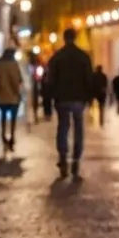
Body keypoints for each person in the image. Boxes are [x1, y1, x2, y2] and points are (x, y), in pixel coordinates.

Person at [45, 28, 95, 177]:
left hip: (62, 98)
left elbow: (50, 80)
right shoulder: (83, 56)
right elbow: (89, 79)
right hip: (79, 98)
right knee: (78, 129)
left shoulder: (57, 57)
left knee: (63, 128)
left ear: (63, 38)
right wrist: (90, 97)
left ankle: (62, 158)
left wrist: (49, 99)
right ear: (75, 37)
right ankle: (76, 159)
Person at [0, 47, 24, 152]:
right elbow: (18, 79)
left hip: (1, 96)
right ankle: (12, 136)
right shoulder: (14, 64)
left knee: (3, 116)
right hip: (13, 96)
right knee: (13, 118)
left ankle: (3, 136)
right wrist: (18, 93)